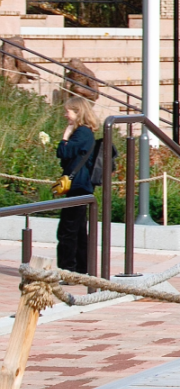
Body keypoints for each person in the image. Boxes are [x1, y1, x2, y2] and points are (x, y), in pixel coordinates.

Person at [54, 97, 102, 274]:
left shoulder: (82, 133)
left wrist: (65, 136)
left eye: (69, 111)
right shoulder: (86, 132)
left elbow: (63, 152)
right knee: (80, 230)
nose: (66, 115)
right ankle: (82, 268)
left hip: (78, 186)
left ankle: (68, 269)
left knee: (67, 230)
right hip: (82, 186)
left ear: (78, 112)